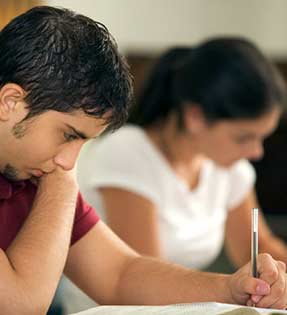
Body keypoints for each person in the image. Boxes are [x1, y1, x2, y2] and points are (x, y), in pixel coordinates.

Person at [0, 7, 286, 314]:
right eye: (69, 135)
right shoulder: (55, 176)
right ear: (10, 102)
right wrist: (62, 184)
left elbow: (120, 274)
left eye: (84, 141)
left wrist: (229, 288)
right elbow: (20, 307)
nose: (71, 161)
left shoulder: (34, 174)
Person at [77, 40, 287, 272]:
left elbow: (256, 250)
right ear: (195, 116)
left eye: (261, 137)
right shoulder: (127, 152)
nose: (256, 152)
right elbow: (145, 278)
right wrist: (230, 288)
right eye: (243, 137)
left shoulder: (229, 166)